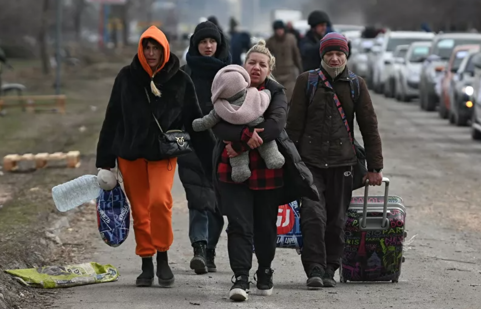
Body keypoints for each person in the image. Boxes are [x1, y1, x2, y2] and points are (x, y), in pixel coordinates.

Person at [95, 26, 214, 288]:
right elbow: (113, 118)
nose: (150, 53)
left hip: (163, 154)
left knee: (160, 202)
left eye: (155, 48)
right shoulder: (126, 77)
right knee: (140, 210)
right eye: (146, 48)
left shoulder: (180, 80)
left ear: (164, 49)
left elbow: (194, 121)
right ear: (141, 49)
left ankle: (163, 255)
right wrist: (105, 161)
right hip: (130, 154)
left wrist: (212, 160)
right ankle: (146, 262)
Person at [211, 40, 318, 302]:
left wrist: (242, 140)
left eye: (262, 64)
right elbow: (217, 124)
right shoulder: (230, 86)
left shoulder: (276, 92)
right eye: (252, 63)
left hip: (268, 172)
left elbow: (276, 125)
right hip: (233, 171)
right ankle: (240, 277)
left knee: (265, 226)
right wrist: (245, 136)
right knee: (238, 224)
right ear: (244, 65)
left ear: (269, 69)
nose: (256, 67)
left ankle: (265, 270)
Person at [286, 32, 384, 288]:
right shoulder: (306, 82)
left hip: (344, 164)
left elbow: (369, 126)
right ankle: (315, 269)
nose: (334, 58)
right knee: (313, 215)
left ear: (346, 55)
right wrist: (288, 163)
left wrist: (374, 167)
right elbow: (293, 128)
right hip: (309, 163)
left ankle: (331, 268)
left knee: (336, 220)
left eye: (339, 53)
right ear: (322, 55)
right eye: (329, 53)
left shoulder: (356, 84)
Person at [179, 21, 230, 275]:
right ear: (195, 45)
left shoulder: (232, 74)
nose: (208, 46)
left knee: (217, 203)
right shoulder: (185, 73)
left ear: (218, 44)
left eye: (212, 42)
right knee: (197, 199)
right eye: (203, 42)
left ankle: (210, 250)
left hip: (223, 147)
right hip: (190, 146)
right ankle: (199, 249)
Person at [266, 20, 303, 104]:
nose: (279, 31)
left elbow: (296, 55)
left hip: (289, 73)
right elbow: (266, 57)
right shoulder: (270, 41)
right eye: (277, 29)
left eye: (281, 29)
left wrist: (300, 69)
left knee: (289, 97)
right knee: (278, 97)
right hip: (276, 73)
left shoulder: (291, 39)